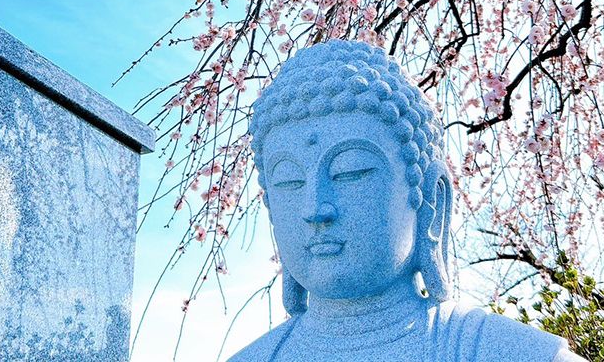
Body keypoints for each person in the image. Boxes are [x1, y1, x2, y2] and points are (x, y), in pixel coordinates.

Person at [229, 40, 585, 362]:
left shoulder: (508, 353)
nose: (315, 208)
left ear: (431, 201)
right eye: (289, 181)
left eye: (351, 171)